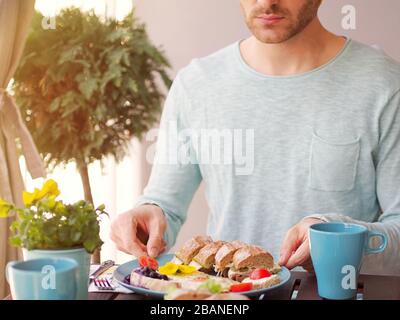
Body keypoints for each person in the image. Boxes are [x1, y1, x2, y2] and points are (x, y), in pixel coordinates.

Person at [111, 0, 400, 275]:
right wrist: (147, 216)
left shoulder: (383, 84)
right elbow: (164, 206)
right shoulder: (196, 85)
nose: (267, 1)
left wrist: (336, 235)